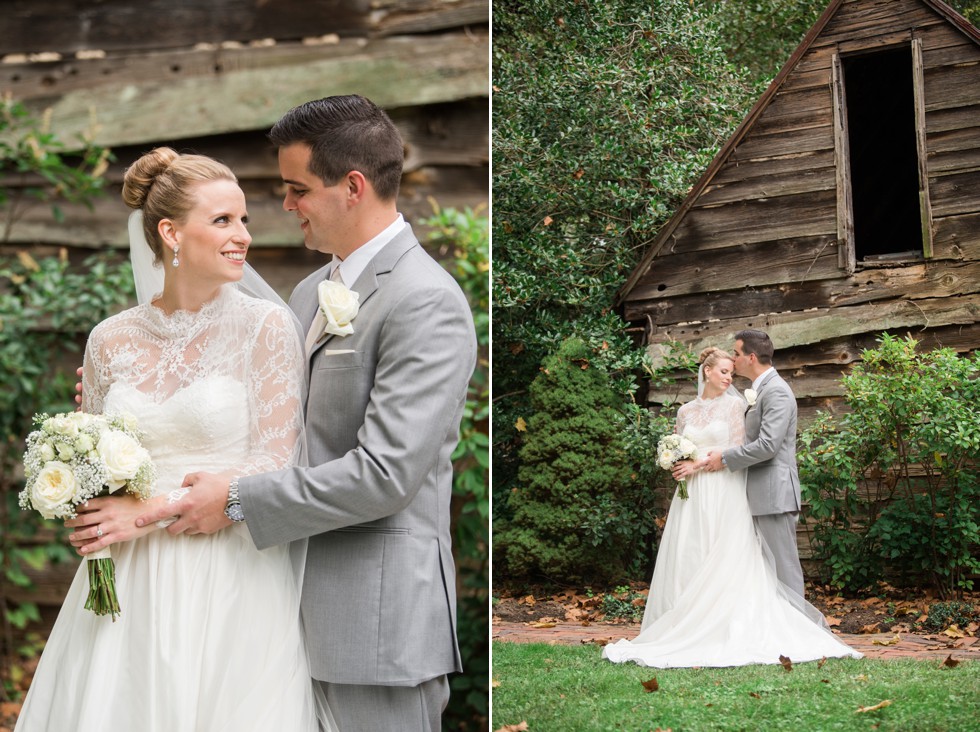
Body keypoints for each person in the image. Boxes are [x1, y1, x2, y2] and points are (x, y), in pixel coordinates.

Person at [77, 96, 477, 731]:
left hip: (371, 616)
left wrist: (233, 499)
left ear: (352, 187)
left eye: (297, 189)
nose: (284, 207)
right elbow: (271, 411)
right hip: (273, 599)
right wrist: (136, 391)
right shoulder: (309, 292)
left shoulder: (425, 300)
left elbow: (386, 475)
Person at [16, 148, 334, 730]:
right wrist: (82, 506)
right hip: (128, 581)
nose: (243, 236)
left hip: (228, 572)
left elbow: (275, 457)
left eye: (243, 220)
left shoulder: (265, 327)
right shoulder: (110, 339)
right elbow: (92, 453)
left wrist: (147, 512)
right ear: (170, 232)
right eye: (222, 221)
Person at [602, 347, 861, 668]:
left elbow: (740, 448)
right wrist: (675, 461)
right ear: (707, 371)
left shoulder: (737, 407)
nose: (728, 377)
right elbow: (680, 446)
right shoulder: (684, 412)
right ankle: (685, 618)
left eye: (731, 372)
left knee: (726, 552)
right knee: (689, 550)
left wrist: (697, 465)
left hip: (725, 487)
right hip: (692, 495)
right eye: (723, 371)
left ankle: (726, 621)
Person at [703, 328, 806, 597]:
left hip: (774, 494)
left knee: (784, 569)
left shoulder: (777, 392)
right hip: (760, 494)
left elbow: (768, 445)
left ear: (750, 357)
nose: (732, 360)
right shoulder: (760, 390)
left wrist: (724, 458)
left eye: (736, 354)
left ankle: (802, 634)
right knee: (765, 572)